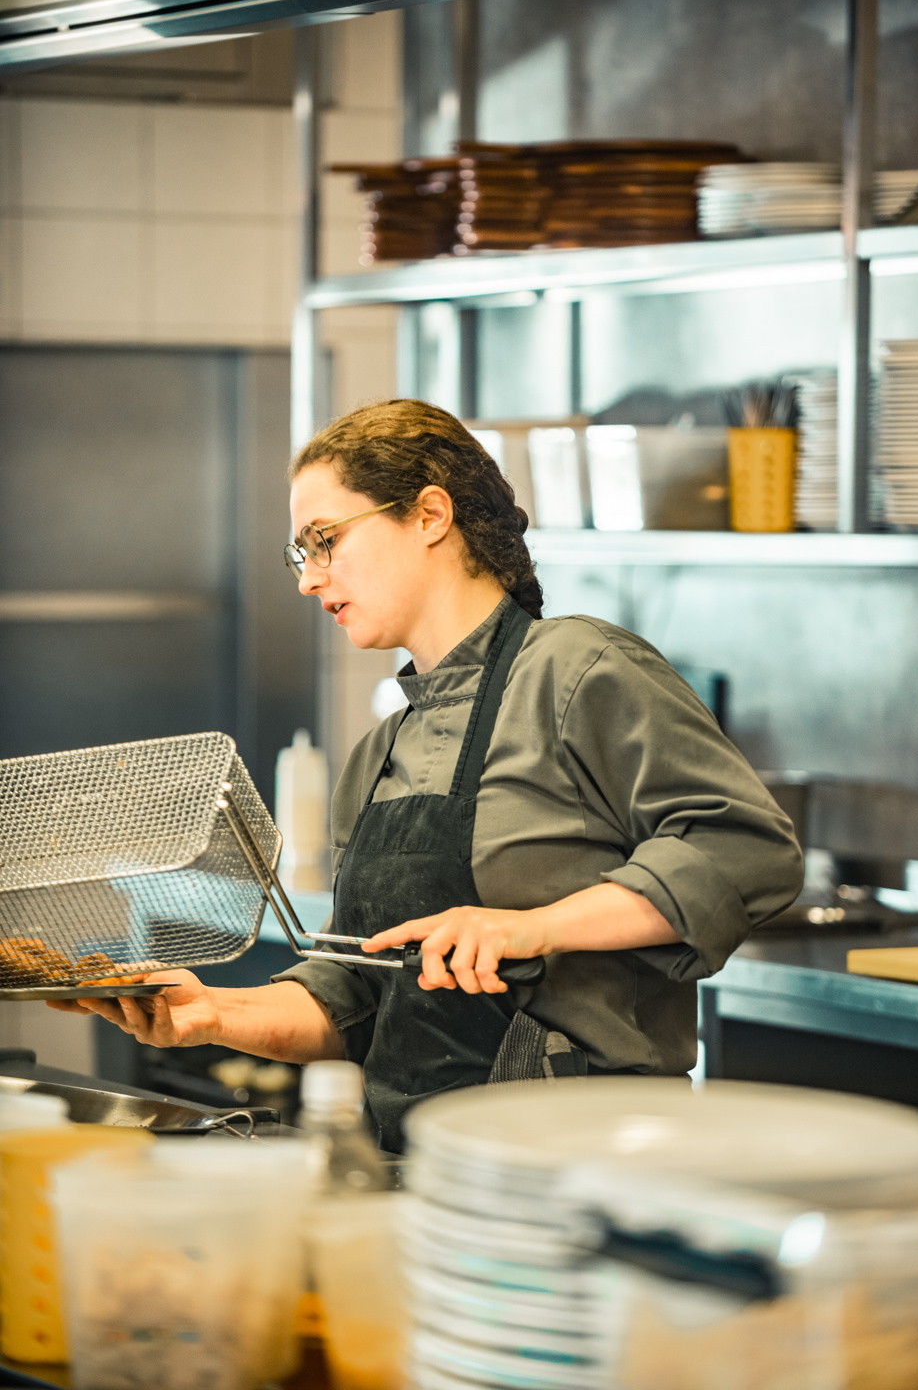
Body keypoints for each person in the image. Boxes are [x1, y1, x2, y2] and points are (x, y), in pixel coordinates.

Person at [50, 399, 804, 1152]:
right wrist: (211, 1013)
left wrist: (534, 927)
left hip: (583, 1162)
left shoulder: (575, 670)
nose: (309, 580)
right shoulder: (377, 756)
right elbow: (359, 999)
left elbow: (746, 849)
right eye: (300, 554)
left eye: (325, 540)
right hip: (416, 1167)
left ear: (430, 515)